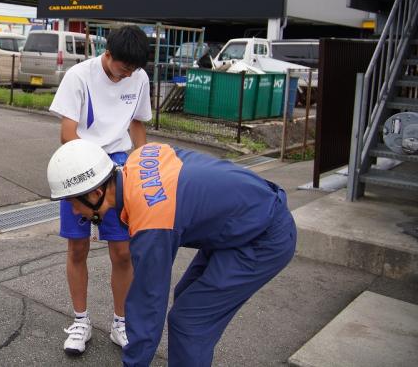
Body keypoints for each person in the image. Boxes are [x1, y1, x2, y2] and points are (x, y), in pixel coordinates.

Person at [47, 139, 297, 366]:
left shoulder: (151, 221)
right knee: (185, 294)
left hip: (263, 237)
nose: (75, 212)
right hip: (244, 215)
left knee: (190, 322)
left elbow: (148, 304)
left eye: (73, 203)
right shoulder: (141, 156)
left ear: (96, 193)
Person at [48, 25, 151, 354]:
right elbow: (67, 133)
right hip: (81, 163)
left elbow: (137, 122)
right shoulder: (79, 76)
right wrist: (95, 169)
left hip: (120, 165)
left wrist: (141, 164)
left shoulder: (139, 78)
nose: (128, 74)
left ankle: (121, 322)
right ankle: (81, 321)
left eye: (134, 69)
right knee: (77, 248)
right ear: (107, 55)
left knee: (122, 251)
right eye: (124, 67)